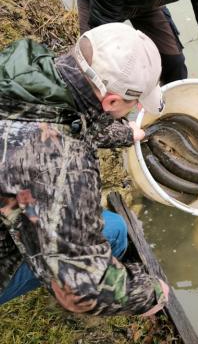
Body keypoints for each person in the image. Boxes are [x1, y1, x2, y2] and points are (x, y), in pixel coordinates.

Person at [0, 22, 169, 315]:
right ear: (113, 99)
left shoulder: (21, 74)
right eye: (131, 103)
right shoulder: (63, 169)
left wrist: (127, 134)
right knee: (114, 230)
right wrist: (151, 293)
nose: (130, 110)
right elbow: (80, 287)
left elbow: (61, 119)